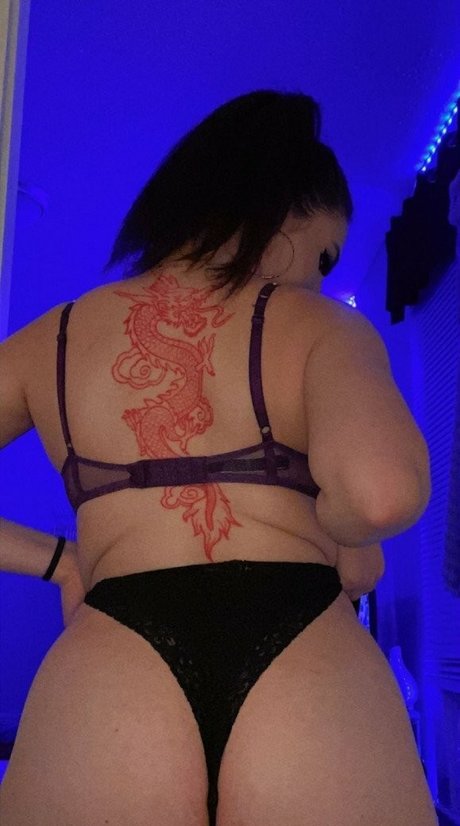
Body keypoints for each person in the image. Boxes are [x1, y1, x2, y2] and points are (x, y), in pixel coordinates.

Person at [0, 89, 438, 825]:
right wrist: (342, 535)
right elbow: (381, 494)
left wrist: (62, 563)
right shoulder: (322, 324)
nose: (320, 280)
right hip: (305, 651)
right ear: (280, 212)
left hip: (113, 658)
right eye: (324, 255)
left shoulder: (54, 336)